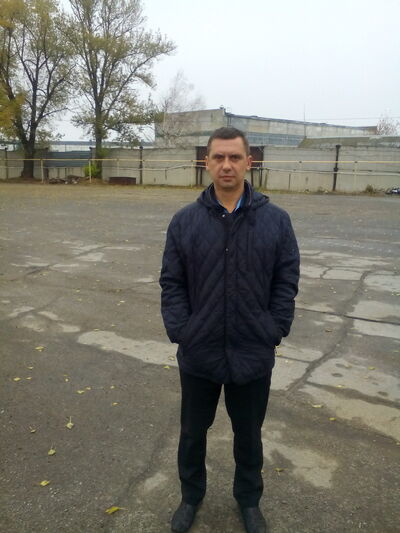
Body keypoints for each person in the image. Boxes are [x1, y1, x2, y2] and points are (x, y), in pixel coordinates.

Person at [160, 127, 300, 533]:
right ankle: (191, 497)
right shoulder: (185, 221)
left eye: (234, 157)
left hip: (252, 350)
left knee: (248, 434)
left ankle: (249, 501)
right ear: (206, 162)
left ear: (248, 162)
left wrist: (274, 327)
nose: (226, 165)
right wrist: (183, 330)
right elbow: (172, 282)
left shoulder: (275, 220)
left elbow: (286, 278)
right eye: (218, 157)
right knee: (192, 433)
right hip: (199, 351)